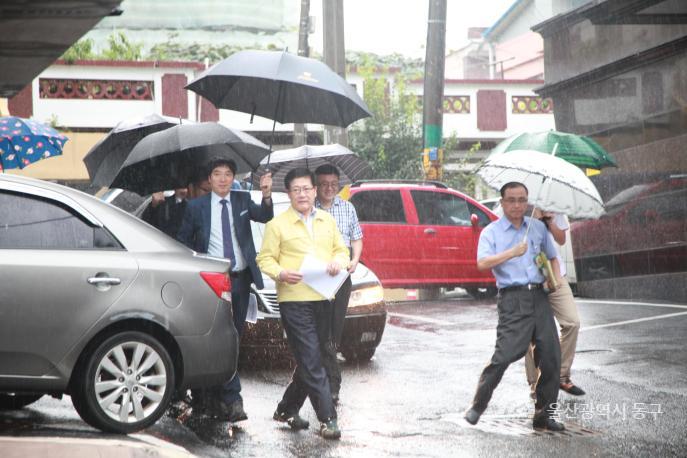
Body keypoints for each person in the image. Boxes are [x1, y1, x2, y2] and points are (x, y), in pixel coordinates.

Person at [177, 158, 273, 422]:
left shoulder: (242, 200)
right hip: (211, 281)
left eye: (227, 174)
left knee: (235, 340)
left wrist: (266, 193)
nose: (222, 179)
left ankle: (216, 397)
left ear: (233, 178)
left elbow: (266, 216)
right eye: (217, 174)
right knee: (214, 338)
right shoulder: (196, 207)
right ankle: (231, 399)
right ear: (209, 179)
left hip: (240, 279)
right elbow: (183, 242)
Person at [464, 181, 565, 432]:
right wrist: (511, 252)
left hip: (540, 297)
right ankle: (478, 405)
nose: (518, 205)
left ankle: (544, 415)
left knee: (551, 357)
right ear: (502, 202)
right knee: (505, 355)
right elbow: (482, 263)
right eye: (512, 200)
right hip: (512, 299)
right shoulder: (492, 232)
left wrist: (554, 280)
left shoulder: (538, 228)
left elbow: (552, 257)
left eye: (522, 200)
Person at [256, 167, 349, 440]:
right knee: (311, 358)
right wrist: (281, 273)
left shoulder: (327, 221)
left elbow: (342, 251)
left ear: (314, 190)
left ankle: (286, 409)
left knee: (317, 357)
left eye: (307, 189)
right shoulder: (277, 225)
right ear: (288, 194)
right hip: (294, 300)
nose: (302, 194)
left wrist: (338, 263)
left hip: (324, 297)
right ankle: (328, 419)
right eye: (296, 190)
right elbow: (265, 259)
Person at [314, 164, 363, 404]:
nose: (329, 188)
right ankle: (329, 382)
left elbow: (357, 237)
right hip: (316, 277)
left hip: (341, 277)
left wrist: (354, 260)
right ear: (316, 186)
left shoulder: (347, 208)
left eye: (333, 184)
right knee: (319, 331)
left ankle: (329, 381)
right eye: (324, 184)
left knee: (333, 331)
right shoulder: (308, 210)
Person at [525, 210, 585, 398]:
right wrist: (533, 219)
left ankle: (561, 375)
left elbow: (561, 240)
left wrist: (550, 221)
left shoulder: (554, 206)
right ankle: (536, 383)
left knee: (572, 322)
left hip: (556, 275)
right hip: (528, 279)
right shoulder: (519, 207)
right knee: (530, 333)